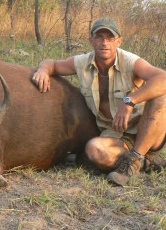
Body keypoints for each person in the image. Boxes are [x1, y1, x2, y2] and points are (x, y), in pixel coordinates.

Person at [32, 17, 166, 186]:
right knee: (93, 149)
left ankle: (135, 158)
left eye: (110, 38)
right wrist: (43, 70)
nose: (105, 43)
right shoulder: (82, 62)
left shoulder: (131, 61)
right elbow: (51, 63)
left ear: (119, 41)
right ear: (91, 40)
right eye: (100, 37)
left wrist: (129, 102)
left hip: (147, 130)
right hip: (116, 135)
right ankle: (144, 162)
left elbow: (163, 79)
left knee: (161, 96)